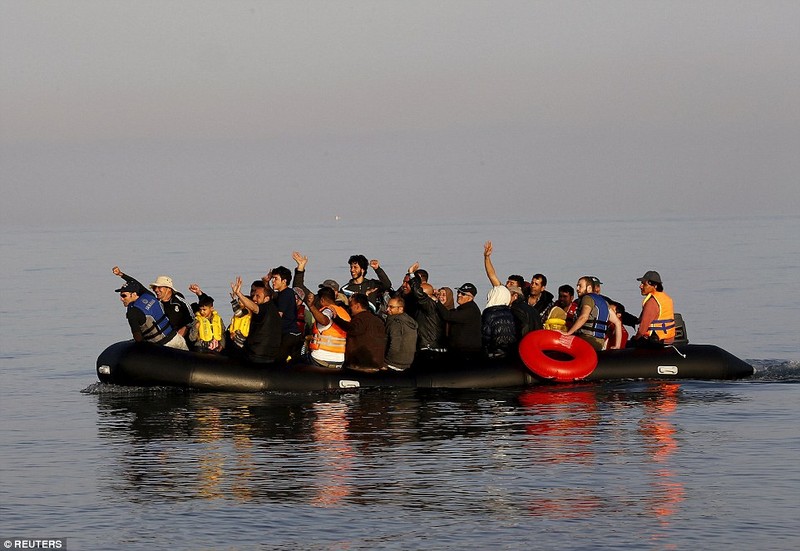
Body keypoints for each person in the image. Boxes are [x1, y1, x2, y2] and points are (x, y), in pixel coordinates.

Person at [112, 266, 191, 350]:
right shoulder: (149, 296)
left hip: (163, 347)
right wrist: (121, 274)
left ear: (134, 294)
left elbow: (138, 337)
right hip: (176, 339)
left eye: (124, 296)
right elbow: (137, 284)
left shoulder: (133, 311)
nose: (121, 299)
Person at [482, 241, 538, 339]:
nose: (507, 285)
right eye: (507, 282)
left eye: (511, 284)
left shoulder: (521, 303)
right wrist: (487, 257)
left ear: (518, 289)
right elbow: (492, 275)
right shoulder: (504, 292)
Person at [330, 292, 387, 370]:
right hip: (377, 363)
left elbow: (352, 329)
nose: (350, 308)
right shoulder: (378, 321)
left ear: (357, 306)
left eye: (351, 305)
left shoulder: (361, 318)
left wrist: (336, 318)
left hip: (362, 365)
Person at [231, 277, 281, 364]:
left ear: (267, 299)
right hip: (271, 355)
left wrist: (239, 294)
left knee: (232, 346)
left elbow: (255, 308)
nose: (254, 298)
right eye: (253, 295)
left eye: (258, 296)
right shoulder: (274, 309)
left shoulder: (264, 309)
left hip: (257, 355)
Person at [565, 276, 623, 351]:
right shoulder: (604, 302)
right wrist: (617, 346)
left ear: (589, 288)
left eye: (580, 286)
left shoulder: (587, 298)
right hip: (599, 342)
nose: (577, 289)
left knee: (563, 342)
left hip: (587, 339)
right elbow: (617, 322)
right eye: (577, 286)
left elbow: (584, 317)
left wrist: (568, 333)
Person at [304, 286, 351, 369]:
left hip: (320, 358)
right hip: (340, 360)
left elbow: (324, 321)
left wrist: (311, 306)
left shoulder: (328, 310)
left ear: (322, 300)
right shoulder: (345, 313)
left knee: (294, 363)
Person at [266, 265, 303, 363]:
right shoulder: (286, 293)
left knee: (278, 362)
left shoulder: (285, 294)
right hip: (295, 334)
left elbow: (279, 316)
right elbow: (272, 294)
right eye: (273, 278)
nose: (273, 281)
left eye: (275, 279)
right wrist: (266, 282)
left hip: (288, 334)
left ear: (284, 281)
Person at [406, 262, 446, 351]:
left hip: (429, 346)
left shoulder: (429, 305)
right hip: (434, 344)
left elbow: (418, 294)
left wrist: (411, 273)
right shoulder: (435, 304)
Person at [435, 282, 482, 357]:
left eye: (463, 294)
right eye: (458, 292)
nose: (459, 295)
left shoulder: (471, 310)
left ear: (471, 297)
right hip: (459, 350)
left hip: (467, 352)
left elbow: (448, 316)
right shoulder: (462, 309)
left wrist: (437, 301)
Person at [631, 270, 676, 347]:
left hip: (655, 341)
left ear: (654, 286)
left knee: (630, 343)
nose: (640, 286)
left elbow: (642, 330)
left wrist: (635, 339)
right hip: (668, 339)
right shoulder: (666, 298)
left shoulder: (652, 302)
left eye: (644, 284)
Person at [383, 296, 418, 371]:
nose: (387, 309)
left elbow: (394, 345)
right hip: (406, 363)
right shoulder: (409, 321)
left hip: (393, 363)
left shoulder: (396, 323)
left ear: (400, 309)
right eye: (387, 306)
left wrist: (385, 362)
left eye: (391, 307)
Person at [481, 284, 517, 357]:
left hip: (493, 352)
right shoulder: (511, 313)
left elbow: (485, 336)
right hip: (509, 352)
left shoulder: (489, 313)